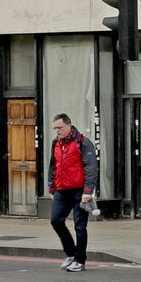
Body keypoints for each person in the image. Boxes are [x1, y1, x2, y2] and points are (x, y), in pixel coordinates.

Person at [45, 113, 97, 272]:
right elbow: (53, 166)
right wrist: (52, 187)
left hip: (80, 191)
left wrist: (88, 190)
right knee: (56, 221)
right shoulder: (56, 143)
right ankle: (71, 253)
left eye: (60, 128)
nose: (57, 131)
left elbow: (91, 168)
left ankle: (80, 261)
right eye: (55, 128)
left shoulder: (83, 142)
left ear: (69, 126)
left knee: (80, 227)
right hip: (61, 190)